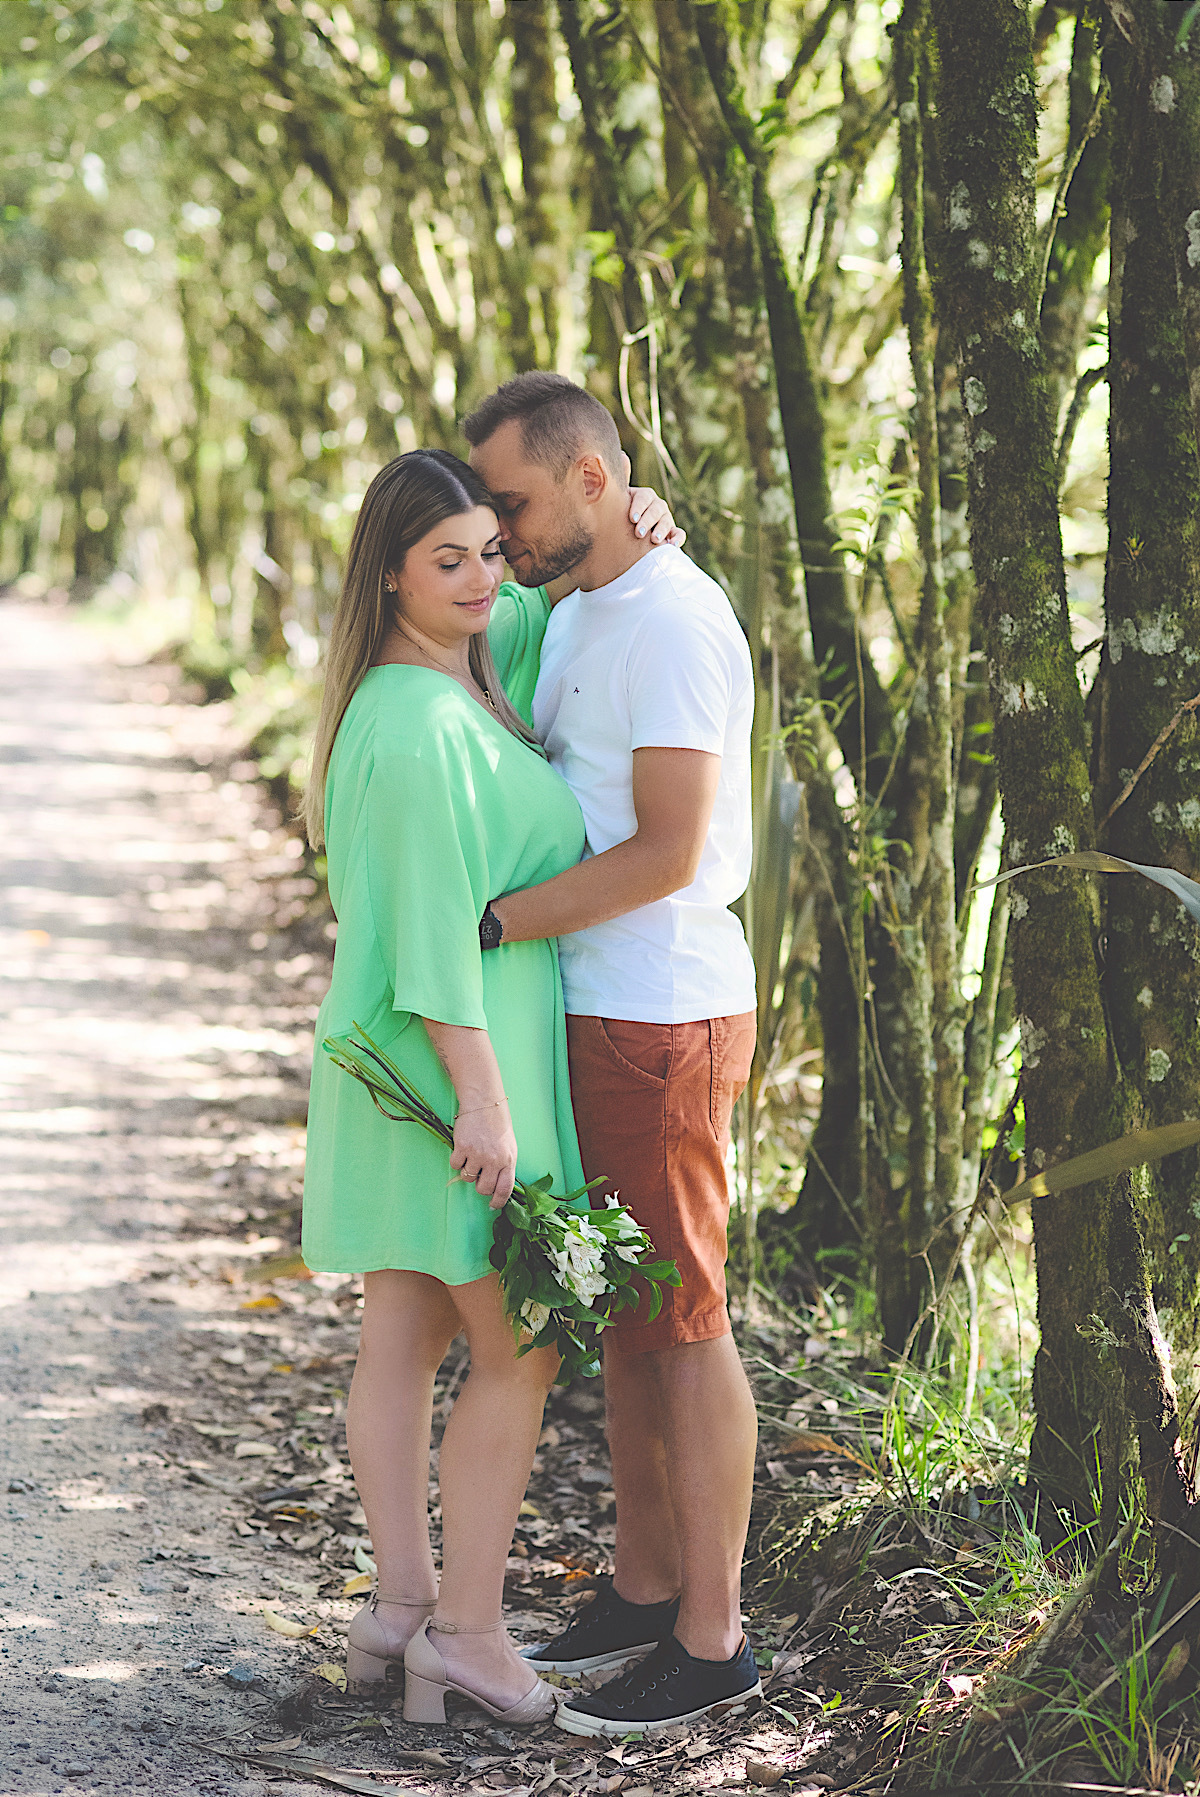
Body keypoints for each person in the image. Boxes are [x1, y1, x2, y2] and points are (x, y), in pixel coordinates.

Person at [300, 447, 678, 1726]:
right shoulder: (412, 725)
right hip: (440, 1071)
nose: (478, 578)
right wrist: (487, 1101)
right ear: (390, 575)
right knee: (521, 1342)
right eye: (444, 560)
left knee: (403, 1329)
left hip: (421, 1067)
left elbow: (556, 577)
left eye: (485, 551)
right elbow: (422, 930)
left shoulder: (471, 655)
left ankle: (399, 1612)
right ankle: (464, 1631)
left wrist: (634, 512)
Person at [464, 372, 762, 1737]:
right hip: (596, 1011)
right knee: (631, 1321)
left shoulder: (675, 624)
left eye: (514, 501)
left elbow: (668, 850)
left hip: (663, 1014)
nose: (499, 528)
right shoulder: (581, 601)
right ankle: (645, 1592)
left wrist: (497, 921)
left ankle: (713, 1644)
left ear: (591, 480)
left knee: (686, 1321)